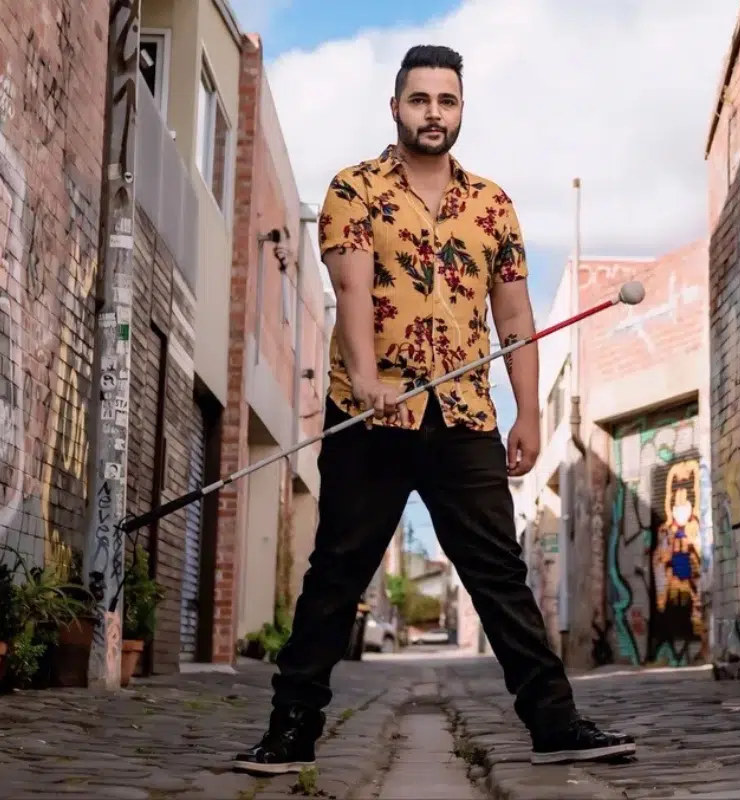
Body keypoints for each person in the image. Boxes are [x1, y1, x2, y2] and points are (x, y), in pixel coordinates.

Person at [232, 44, 635, 775]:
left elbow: (514, 318)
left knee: (500, 576)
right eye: (420, 100)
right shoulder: (354, 189)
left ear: (460, 110)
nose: (433, 113)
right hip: (370, 417)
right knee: (336, 573)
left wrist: (528, 413)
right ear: (396, 106)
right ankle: (290, 732)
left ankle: (555, 724)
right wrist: (366, 377)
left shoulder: (492, 205)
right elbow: (352, 290)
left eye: (446, 101)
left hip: (464, 419)